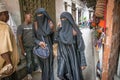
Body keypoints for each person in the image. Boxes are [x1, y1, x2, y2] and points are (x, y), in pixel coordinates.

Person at [56, 12, 87, 80]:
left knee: (75, 76)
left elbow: (81, 48)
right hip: (64, 59)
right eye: (61, 19)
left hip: (74, 59)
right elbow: (55, 40)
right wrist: (58, 28)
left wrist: (83, 62)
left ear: (69, 19)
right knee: (64, 76)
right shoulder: (61, 30)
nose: (63, 20)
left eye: (65, 19)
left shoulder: (75, 32)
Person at [17, 12, 40, 80]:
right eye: (30, 17)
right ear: (26, 17)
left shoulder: (32, 25)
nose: (31, 18)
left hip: (34, 46)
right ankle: (29, 74)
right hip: (26, 47)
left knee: (35, 59)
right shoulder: (21, 27)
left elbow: (36, 32)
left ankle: (36, 69)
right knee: (29, 61)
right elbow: (19, 39)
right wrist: (22, 49)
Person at [33, 8, 54, 80]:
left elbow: (53, 37)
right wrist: (39, 42)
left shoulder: (49, 23)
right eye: (38, 15)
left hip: (49, 48)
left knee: (49, 67)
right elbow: (33, 37)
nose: (40, 17)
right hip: (40, 50)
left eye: (41, 15)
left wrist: (51, 29)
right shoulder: (35, 25)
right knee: (44, 68)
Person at [0, 3, 19, 78]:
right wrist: (9, 64)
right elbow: (3, 48)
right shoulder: (4, 27)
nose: (8, 16)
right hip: (6, 68)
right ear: (3, 14)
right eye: (7, 14)